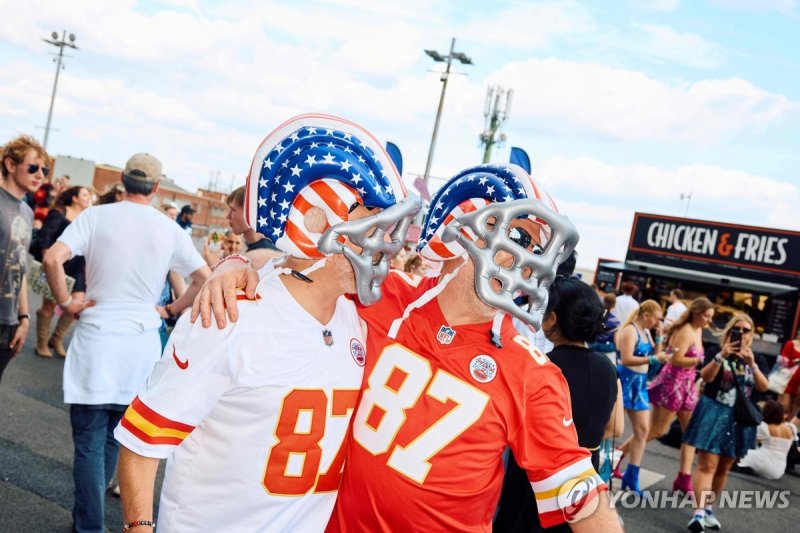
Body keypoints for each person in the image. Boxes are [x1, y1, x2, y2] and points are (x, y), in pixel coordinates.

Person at [196, 163, 622, 532]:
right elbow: (295, 266)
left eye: (537, 251)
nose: (527, 263)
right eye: (522, 241)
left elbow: (580, 495)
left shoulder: (533, 373)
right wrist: (232, 264)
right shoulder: (385, 295)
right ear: (463, 229)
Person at [114, 115, 419, 533]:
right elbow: (141, 445)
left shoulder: (359, 317)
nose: (384, 243)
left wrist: (244, 258)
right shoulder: (232, 316)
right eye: (370, 223)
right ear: (316, 224)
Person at [42, 153, 210, 533]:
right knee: (117, 438)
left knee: (88, 441)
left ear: (122, 181)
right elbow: (203, 277)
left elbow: (53, 258)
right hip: (140, 346)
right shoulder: (168, 229)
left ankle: (88, 525)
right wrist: (170, 309)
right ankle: (91, 521)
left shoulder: (96, 216)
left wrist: (68, 302)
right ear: (155, 187)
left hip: (96, 341)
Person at [494, 276, 620, 532]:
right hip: (586, 471)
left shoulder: (541, 365)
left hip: (536, 474)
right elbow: (615, 429)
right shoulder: (607, 368)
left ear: (551, 319)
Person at [683, 314, 769, 532]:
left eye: (746, 330)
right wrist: (722, 356)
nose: (741, 334)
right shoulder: (716, 351)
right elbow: (706, 377)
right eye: (736, 329)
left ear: (752, 334)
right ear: (729, 331)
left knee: (724, 467)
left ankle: (709, 509)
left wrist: (753, 365)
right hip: (713, 412)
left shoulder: (757, 358)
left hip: (739, 419)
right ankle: (699, 513)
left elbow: (763, 387)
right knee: (707, 464)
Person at [648, 297, 715, 494]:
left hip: (687, 385)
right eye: (707, 316)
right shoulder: (686, 331)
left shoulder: (698, 330)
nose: (709, 321)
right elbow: (676, 360)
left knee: (691, 433)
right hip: (673, 384)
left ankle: (684, 479)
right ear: (696, 313)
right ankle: (618, 456)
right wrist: (698, 361)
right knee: (656, 431)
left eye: (711, 317)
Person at [0, 134, 46, 383]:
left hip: (8, 321)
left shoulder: (27, 212)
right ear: (10, 165)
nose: (40, 175)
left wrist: (24, 318)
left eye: (44, 169)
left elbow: (18, 267)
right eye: (33, 167)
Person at [612, 299, 670, 494]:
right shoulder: (630, 330)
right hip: (626, 380)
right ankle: (607, 466)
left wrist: (660, 338)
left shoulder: (646, 332)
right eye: (657, 319)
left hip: (640, 382)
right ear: (646, 315)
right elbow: (626, 358)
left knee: (643, 431)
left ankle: (632, 476)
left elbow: (656, 356)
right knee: (612, 428)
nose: (658, 323)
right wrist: (654, 358)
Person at [31, 186, 93, 357]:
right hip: (59, 265)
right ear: (74, 198)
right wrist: (47, 261)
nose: (89, 198)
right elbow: (46, 236)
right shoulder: (59, 213)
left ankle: (56, 339)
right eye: (85, 194)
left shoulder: (88, 217)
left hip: (77, 267)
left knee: (76, 306)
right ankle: (41, 342)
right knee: (49, 305)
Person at [737, 400, 798, 480]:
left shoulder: (765, 428)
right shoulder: (791, 428)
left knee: (741, 455)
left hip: (763, 461)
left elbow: (747, 438)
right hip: (780, 468)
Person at [224, 185, 281, 253]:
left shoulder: (265, 254)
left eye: (233, 210)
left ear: (249, 211)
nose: (228, 216)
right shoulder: (255, 248)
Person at [590, 292, 621, 366]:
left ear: (603, 302)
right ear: (614, 305)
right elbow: (616, 341)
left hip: (593, 347)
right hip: (607, 351)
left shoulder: (594, 316)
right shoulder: (615, 321)